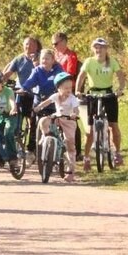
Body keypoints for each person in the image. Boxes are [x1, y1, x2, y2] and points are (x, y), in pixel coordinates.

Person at [76, 37, 127, 169]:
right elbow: (81, 77)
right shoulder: (89, 62)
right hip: (93, 94)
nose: (99, 50)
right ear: (93, 49)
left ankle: (117, 153)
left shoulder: (112, 62)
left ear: (106, 49)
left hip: (108, 94)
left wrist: (120, 90)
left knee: (113, 125)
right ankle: (87, 157)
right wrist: (77, 90)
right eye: (96, 47)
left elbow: (121, 76)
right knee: (91, 129)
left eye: (102, 47)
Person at [33, 71, 82, 182]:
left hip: (68, 120)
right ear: (58, 88)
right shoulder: (55, 96)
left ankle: (70, 171)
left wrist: (74, 114)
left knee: (70, 142)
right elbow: (46, 102)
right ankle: (45, 136)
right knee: (43, 120)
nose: (68, 90)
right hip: (57, 118)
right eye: (65, 88)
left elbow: (76, 109)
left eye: (70, 87)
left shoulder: (72, 98)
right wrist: (38, 107)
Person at [19, 48, 62, 151]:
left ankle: (59, 145)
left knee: (59, 121)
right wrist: (24, 88)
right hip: (39, 100)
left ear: (52, 60)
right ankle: (32, 148)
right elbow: (30, 81)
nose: (44, 61)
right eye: (42, 59)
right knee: (33, 122)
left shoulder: (58, 69)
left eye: (47, 59)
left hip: (53, 101)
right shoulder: (37, 70)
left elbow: (62, 80)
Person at [52, 31, 82, 160]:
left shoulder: (70, 56)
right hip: (57, 90)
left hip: (68, 90)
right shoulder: (56, 55)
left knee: (71, 118)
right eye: (52, 44)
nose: (54, 46)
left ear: (64, 42)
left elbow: (69, 74)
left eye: (56, 43)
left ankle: (77, 150)